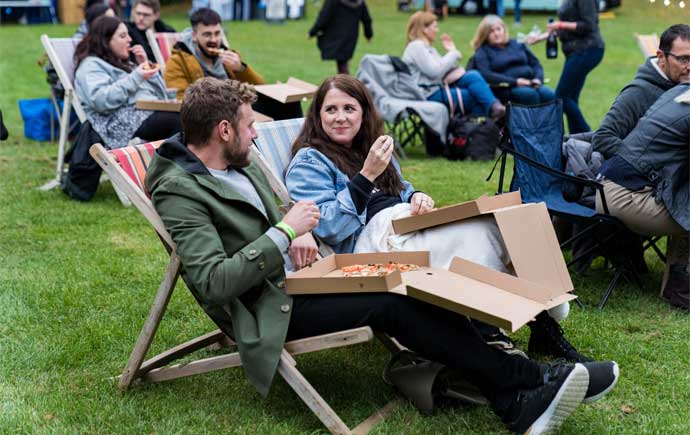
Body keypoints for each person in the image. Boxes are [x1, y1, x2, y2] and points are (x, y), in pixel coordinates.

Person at [145, 76, 618, 434]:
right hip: (268, 305)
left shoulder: (232, 162)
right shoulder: (179, 191)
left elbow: (274, 219)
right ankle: (532, 377)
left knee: (414, 280)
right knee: (393, 299)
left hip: (304, 273)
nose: (256, 135)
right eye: (250, 127)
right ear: (224, 129)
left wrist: (290, 231)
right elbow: (214, 282)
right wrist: (284, 233)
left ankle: (518, 402)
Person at [285, 74, 596, 364]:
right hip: (370, 242)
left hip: (403, 223)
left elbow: (400, 189)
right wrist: (366, 175)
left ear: (364, 113)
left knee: (508, 223)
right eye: (331, 110)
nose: (340, 117)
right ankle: (491, 330)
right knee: (482, 232)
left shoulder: (372, 145)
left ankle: (541, 325)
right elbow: (328, 226)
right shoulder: (310, 160)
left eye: (349, 108)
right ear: (318, 115)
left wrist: (415, 195)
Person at [596, 83, 690, 311]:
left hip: (610, 188)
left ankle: (678, 284)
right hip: (627, 197)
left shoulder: (679, 92)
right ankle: (680, 287)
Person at [163, 8, 301, 120]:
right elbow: (181, 100)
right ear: (194, 36)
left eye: (217, 34)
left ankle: (295, 146)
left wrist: (240, 68)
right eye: (207, 35)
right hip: (209, 114)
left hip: (237, 107)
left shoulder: (229, 56)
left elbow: (260, 87)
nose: (214, 39)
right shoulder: (178, 60)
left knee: (288, 103)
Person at [74, 15, 180, 150]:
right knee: (179, 121)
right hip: (119, 123)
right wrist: (136, 77)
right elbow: (100, 100)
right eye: (123, 36)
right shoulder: (91, 66)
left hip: (145, 114)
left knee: (191, 116)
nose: (130, 40)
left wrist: (146, 65)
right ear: (106, 41)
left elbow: (162, 96)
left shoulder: (123, 63)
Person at [592, 24, 690, 159]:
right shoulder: (637, 93)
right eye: (684, 59)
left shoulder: (683, 86)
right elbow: (603, 138)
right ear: (661, 57)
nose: (689, 67)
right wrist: (647, 163)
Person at [402, 11, 506, 120]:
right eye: (435, 27)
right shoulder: (416, 46)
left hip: (437, 89)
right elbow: (435, 71)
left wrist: (452, 51)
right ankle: (493, 120)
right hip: (427, 95)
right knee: (475, 97)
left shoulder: (429, 49)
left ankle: (495, 109)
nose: (437, 30)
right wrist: (453, 53)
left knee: (473, 75)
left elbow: (443, 69)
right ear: (425, 29)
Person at [528, 0, 605, 134]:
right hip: (576, 50)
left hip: (588, 49)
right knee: (571, 97)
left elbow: (588, 25)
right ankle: (577, 139)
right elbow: (568, 30)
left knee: (561, 96)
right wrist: (540, 38)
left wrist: (560, 24)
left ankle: (588, 135)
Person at [470, 15, 555, 106]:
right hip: (505, 87)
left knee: (550, 95)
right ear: (485, 35)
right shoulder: (483, 51)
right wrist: (516, 81)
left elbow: (535, 64)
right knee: (529, 95)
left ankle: (549, 120)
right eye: (491, 31)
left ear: (504, 30)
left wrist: (538, 79)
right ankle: (531, 120)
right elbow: (486, 74)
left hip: (530, 83)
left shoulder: (517, 44)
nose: (496, 33)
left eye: (499, 29)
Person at [308, 0, 372, 75]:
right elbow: (366, 19)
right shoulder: (359, 2)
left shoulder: (332, 1)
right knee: (342, 62)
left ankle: (346, 84)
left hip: (335, 36)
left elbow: (324, 17)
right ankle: (345, 83)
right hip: (351, 36)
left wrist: (312, 32)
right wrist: (369, 34)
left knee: (342, 64)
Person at [125, 0, 175, 64]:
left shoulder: (168, 32)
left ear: (156, 15)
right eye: (138, 13)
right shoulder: (127, 33)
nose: (141, 18)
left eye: (146, 15)